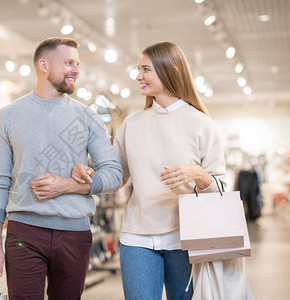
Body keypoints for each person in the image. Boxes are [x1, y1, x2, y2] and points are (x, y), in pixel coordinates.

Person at [72, 41, 227, 300]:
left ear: (170, 70)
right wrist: (87, 172)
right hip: (137, 238)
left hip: (186, 237)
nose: (138, 76)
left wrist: (199, 174)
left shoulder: (201, 124)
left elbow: (221, 188)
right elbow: (116, 176)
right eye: (138, 69)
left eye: (146, 69)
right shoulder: (133, 123)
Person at [0, 37, 123, 300]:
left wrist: (67, 185)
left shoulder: (87, 117)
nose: (76, 69)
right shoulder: (8, 116)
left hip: (75, 232)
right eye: (68, 62)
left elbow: (114, 174)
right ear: (43, 65)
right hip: (24, 232)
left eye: (78, 64)